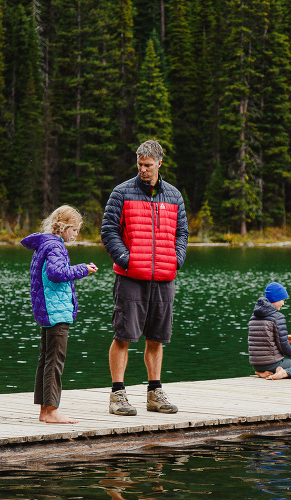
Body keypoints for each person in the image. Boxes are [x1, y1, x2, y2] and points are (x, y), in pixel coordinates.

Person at [101, 140, 189, 415]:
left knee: (157, 338)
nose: (143, 170)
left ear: (159, 164)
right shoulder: (121, 192)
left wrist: (176, 259)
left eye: (148, 166)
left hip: (164, 277)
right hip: (130, 277)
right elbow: (108, 231)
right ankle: (118, 395)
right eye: (140, 165)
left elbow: (182, 234)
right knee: (123, 335)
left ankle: (154, 393)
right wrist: (126, 259)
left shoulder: (174, 196)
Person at [21, 205, 97, 423]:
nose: (76, 234)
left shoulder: (45, 244)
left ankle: (45, 411)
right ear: (63, 227)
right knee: (55, 360)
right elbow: (57, 274)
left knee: (46, 359)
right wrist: (83, 269)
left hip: (48, 310)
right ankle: (52, 410)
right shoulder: (55, 246)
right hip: (57, 310)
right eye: (74, 229)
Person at [248, 282, 291, 380]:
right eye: (282, 300)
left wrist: (286, 337)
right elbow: (283, 345)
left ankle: (260, 372)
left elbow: (262, 337)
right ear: (275, 299)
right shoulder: (278, 317)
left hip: (256, 364)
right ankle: (283, 373)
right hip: (271, 363)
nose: (283, 303)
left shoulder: (254, 316)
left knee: (267, 364)